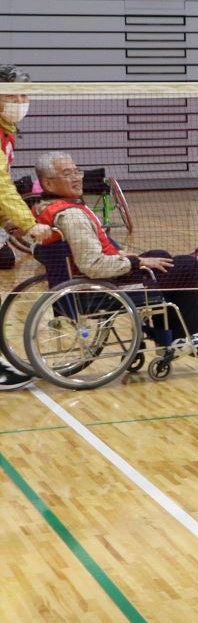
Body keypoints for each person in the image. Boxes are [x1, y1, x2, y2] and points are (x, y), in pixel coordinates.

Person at [33, 151, 198, 358]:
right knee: (187, 266)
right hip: (98, 289)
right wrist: (133, 261)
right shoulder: (71, 216)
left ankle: (171, 338)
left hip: (80, 284)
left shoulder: (45, 209)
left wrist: (122, 254)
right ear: (48, 184)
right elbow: (92, 265)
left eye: (77, 171)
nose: (77, 177)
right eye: (67, 174)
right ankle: (190, 335)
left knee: (161, 256)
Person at [1, 65, 53, 388]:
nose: (22, 101)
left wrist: (7, 221)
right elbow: (1, 185)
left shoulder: (6, 130)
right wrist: (28, 223)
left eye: (25, 94)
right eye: (15, 94)